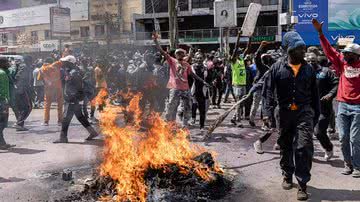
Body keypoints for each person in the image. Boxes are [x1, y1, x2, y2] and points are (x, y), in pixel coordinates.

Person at [263, 31, 320, 200]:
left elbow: (315, 94)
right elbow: (267, 92)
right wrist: (267, 113)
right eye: (299, 49)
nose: (303, 52)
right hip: (284, 113)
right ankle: (287, 174)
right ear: (289, 50)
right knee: (285, 145)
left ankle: (302, 184)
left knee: (304, 146)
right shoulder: (276, 68)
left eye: (303, 48)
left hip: (304, 112)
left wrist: (315, 115)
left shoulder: (309, 69)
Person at [313, 18, 360, 177]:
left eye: (347, 53)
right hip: (343, 105)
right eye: (344, 53)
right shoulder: (342, 63)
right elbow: (329, 51)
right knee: (343, 138)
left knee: (354, 138)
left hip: (358, 107)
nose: (344, 55)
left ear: (355, 55)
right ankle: (348, 164)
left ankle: (357, 165)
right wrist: (320, 33)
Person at [152, 32, 210, 127]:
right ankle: (169, 124)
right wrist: (155, 41)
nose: (179, 54)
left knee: (188, 107)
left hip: (185, 89)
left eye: (181, 53)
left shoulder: (186, 64)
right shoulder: (172, 61)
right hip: (175, 88)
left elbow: (193, 75)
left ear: (183, 55)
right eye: (178, 53)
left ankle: (184, 124)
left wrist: (203, 81)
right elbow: (162, 51)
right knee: (171, 107)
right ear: (175, 55)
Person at [53, 55, 99, 143]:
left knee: (65, 118)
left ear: (70, 63)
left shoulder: (73, 73)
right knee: (80, 117)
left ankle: (63, 138)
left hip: (72, 100)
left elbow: (76, 87)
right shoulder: (73, 71)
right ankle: (92, 132)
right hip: (73, 99)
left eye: (65, 62)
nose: (63, 64)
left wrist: (72, 98)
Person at [306, 52, 338, 161]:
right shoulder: (303, 72)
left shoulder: (326, 72)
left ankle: (328, 147)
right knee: (305, 132)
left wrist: (330, 94)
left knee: (318, 132)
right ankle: (308, 153)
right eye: (308, 61)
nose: (311, 63)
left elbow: (336, 84)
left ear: (317, 61)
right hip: (308, 108)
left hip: (323, 109)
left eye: (313, 61)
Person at [230, 32, 251, 127]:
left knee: (241, 103)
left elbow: (248, 48)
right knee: (239, 103)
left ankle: (234, 118)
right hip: (237, 85)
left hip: (243, 84)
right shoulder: (233, 61)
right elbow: (235, 48)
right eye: (240, 52)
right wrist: (238, 36)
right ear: (236, 53)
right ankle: (238, 121)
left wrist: (249, 37)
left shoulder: (242, 59)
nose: (242, 53)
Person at [249, 41, 272, 127]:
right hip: (258, 88)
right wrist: (260, 47)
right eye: (266, 57)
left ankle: (265, 122)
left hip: (265, 89)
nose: (268, 59)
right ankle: (251, 119)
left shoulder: (270, 68)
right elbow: (256, 57)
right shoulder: (261, 66)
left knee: (264, 106)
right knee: (256, 105)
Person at [38, 57, 64, 126]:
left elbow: (39, 79)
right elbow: (62, 60)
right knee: (60, 104)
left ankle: (46, 121)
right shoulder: (56, 65)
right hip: (58, 87)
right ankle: (60, 121)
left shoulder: (42, 68)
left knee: (47, 104)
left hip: (48, 89)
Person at [11, 56, 33, 131]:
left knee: (22, 108)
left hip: (18, 90)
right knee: (28, 107)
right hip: (22, 90)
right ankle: (19, 123)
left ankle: (19, 124)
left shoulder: (20, 66)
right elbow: (18, 77)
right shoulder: (24, 67)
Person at [190, 52, 210, 131]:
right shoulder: (191, 67)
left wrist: (210, 83)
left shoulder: (205, 67)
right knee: (194, 105)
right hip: (194, 89)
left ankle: (202, 126)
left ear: (203, 59)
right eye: (197, 58)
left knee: (202, 109)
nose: (199, 60)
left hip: (203, 90)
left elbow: (209, 77)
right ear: (195, 58)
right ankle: (193, 118)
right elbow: (189, 79)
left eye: (200, 58)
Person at [0, 58, 15, 149]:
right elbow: (4, 89)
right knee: (3, 122)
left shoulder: (4, 72)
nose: (8, 63)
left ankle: (2, 143)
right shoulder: (2, 74)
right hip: (2, 101)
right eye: (6, 62)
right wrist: (5, 100)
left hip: (3, 100)